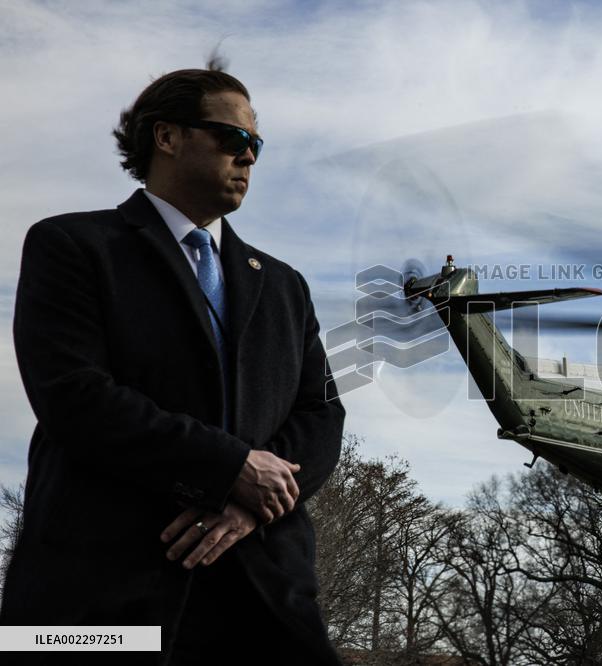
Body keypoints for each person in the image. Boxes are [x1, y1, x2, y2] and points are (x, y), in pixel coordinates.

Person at [0, 62, 346, 665]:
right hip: (101, 601)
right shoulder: (70, 245)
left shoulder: (286, 285)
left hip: (264, 598)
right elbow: (73, 396)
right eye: (234, 139)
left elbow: (321, 413)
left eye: (256, 145)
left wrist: (248, 501)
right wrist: (229, 467)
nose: (250, 158)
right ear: (167, 136)